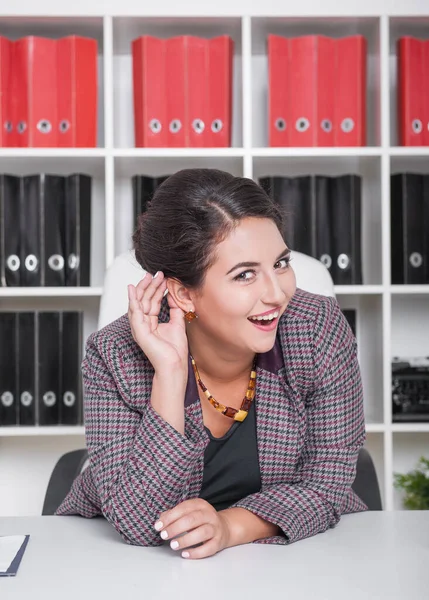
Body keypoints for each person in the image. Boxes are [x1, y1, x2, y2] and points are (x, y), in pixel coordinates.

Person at [56, 168, 368, 559]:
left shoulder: (315, 328)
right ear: (183, 294)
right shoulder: (114, 353)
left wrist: (229, 525)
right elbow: (137, 522)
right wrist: (170, 373)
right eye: (244, 275)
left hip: (288, 560)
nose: (276, 293)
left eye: (281, 263)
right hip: (134, 569)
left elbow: (326, 483)